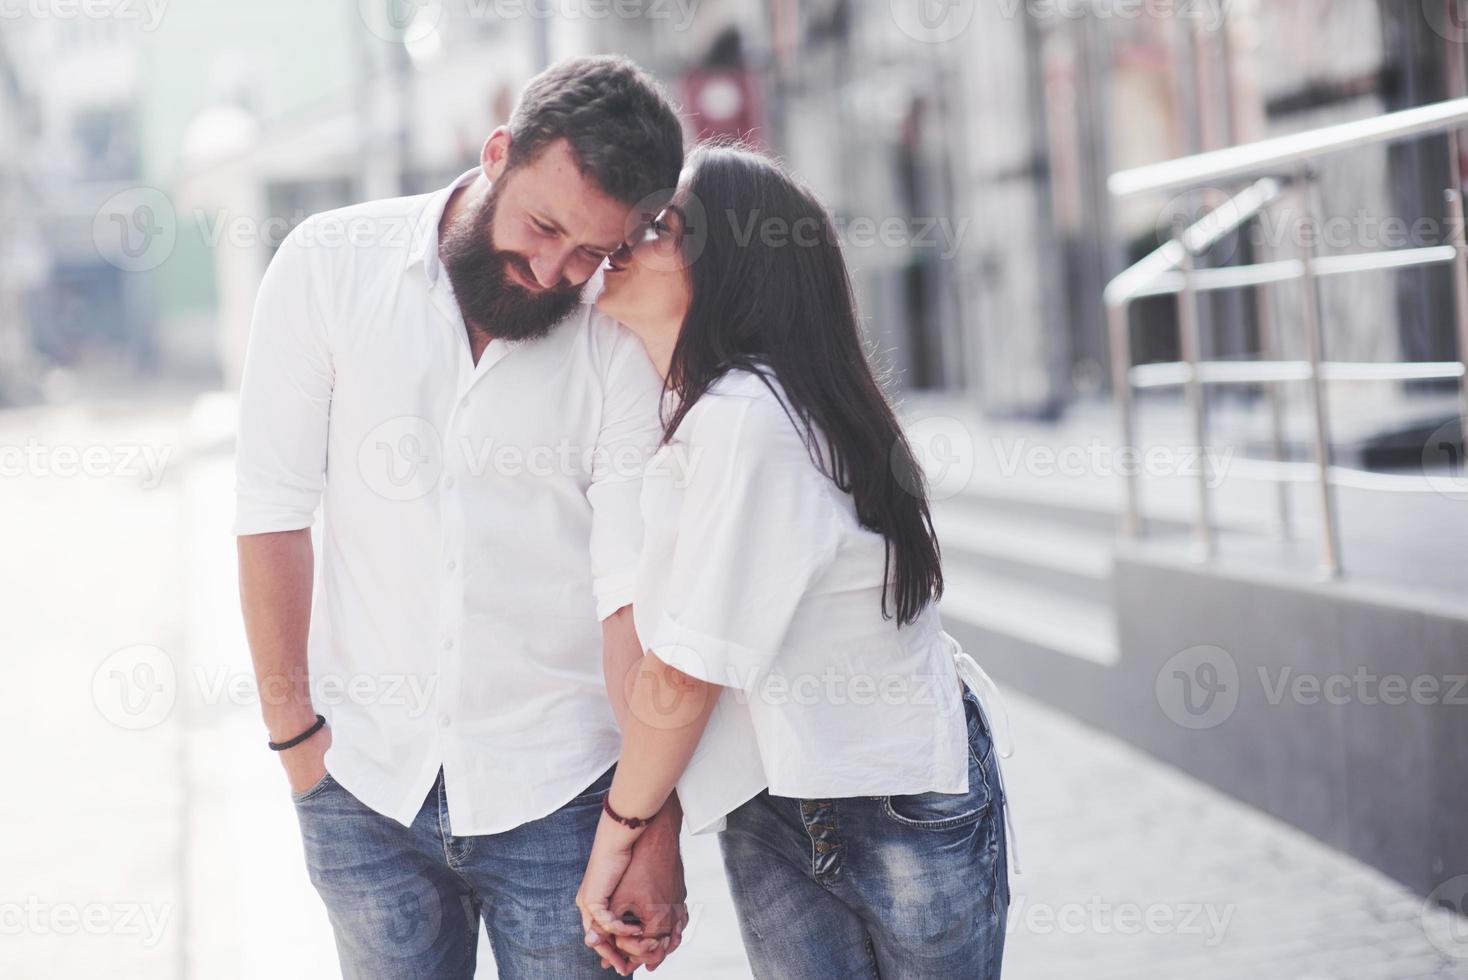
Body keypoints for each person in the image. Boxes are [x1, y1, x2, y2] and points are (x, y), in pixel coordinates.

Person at [234, 55, 688, 978]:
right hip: (362, 788)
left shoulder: (612, 331)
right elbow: (271, 515)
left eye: (591, 252)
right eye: (543, 225)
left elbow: (630, 598)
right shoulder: (329, 267)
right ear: (496, 154)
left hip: (566, 798)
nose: (555, 271)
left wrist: (652, 824)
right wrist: (298, 753)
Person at [577, 142, 1011, 978]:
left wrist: (616, 840)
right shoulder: (696, 410)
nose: (621, 244)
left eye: (657, 227)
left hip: (895, 794)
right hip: (770, 795)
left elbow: (685, 673)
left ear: (734, 267)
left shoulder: (752, 417)